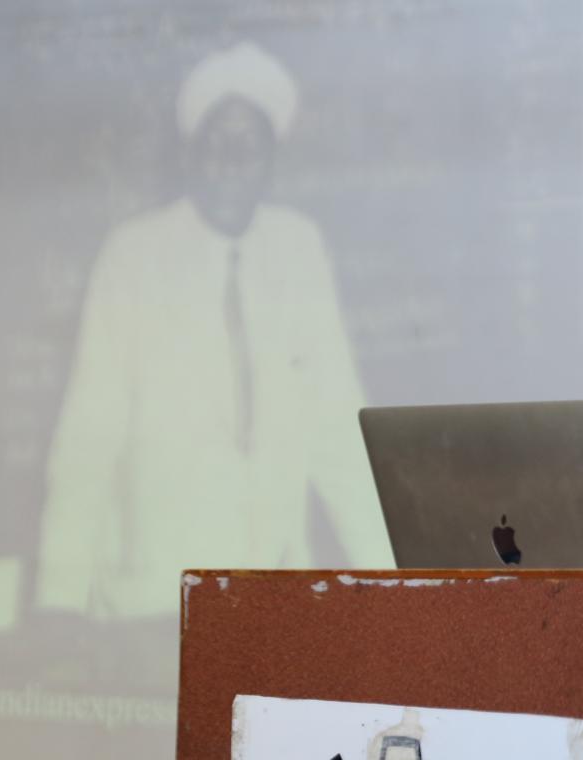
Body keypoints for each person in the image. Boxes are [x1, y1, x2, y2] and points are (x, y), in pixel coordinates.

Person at [34, 42, 392, 621]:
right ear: (189, 156)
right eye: (215, 143)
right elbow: (88, 438)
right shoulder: (134, 256)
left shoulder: (298, 249)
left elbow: (341, 436)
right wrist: (59, 595)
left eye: (249, 145)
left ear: (272, 160)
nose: (231, 161)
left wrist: (395, 586)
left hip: (275, 597)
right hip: (156, 601)